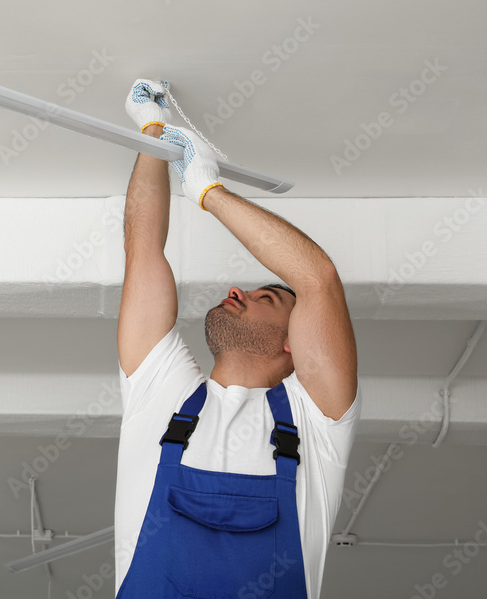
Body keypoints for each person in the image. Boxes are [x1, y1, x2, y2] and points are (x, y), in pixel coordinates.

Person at [114, 80, 360, 599]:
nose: (237, 290)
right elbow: (143, 248)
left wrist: (210, 193)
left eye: (267, 297)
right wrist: (153, 135)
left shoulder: (317, 420)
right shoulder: (163, 391)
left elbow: (316, 277)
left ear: (297, 344)